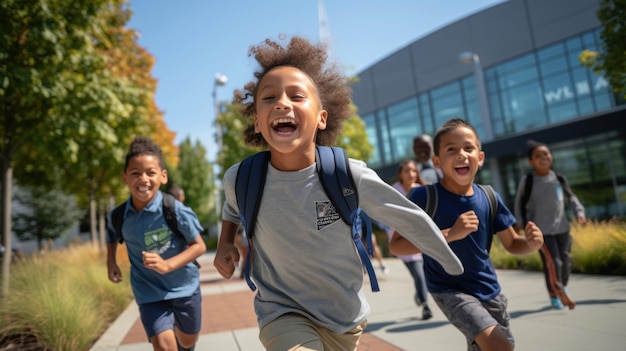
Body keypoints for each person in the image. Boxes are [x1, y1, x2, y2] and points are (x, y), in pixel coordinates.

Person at [213, 36, 463, 351]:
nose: (282, 103)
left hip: (345, 319)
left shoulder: (347, 175)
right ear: (258, 123)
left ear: (321, 117)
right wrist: (225, 243)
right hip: (280, 310)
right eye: (269, 97)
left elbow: (405, 215)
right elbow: (232, 210)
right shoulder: (242, 179)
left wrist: (447, 260)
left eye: (297, 95)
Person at [390, 118, 544, 351]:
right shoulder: (424, 197)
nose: (461, 154)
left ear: (480, 158)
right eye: (451, 150)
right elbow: (397, 246)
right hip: (449, 289)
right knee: (500, 347)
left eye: (468, 148)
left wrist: (531, 244)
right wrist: (450, 233)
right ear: (437, 161)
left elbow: (513, 243)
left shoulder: (489, 196)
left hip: (490, 290)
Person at [106, 136, 206, 351]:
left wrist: (167, 265)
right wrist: (111, 262)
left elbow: (199, 246)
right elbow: (112, 235)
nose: (143, 179)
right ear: (125, 178)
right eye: (135, 173)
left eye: (150, 172)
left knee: (188, 340)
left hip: (184, 286)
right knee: (163, 345)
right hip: (148, 290)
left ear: (163, 176)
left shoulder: (174, 210)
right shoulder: (118, 215)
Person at [514, 140, 586, 310]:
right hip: (541, 231)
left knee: (566, 261)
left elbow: (571, 197)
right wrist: (520, 222)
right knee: (553, 263)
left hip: (562, 228)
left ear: (551, 156)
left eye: (546, 154)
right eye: (537, 156)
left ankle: (562, 288)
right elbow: (519, 202)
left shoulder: (559, 178)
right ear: (531, 161)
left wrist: (580, 212)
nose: (543, 158)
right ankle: (556, 295)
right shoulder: (528, 180)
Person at [386, 159, 433, 320]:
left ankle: (420, 297)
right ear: (400, 174)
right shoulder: (394, 191)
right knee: (419, 275)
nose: (411, 174)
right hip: (402, 240)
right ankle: (425, 305)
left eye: (414, 171)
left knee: (423, 276)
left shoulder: (422, 190)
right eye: (407, 171)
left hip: (422, 239)